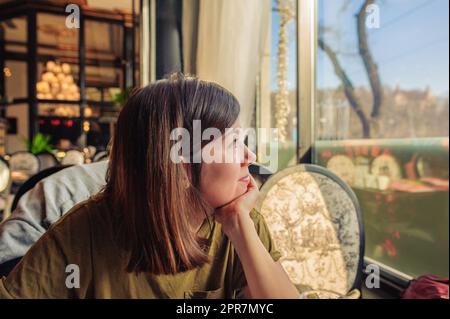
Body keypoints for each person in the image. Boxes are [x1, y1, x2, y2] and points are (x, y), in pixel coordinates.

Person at [0, 74, 299, 299]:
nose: (250, 156)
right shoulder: (83, 232)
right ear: (180, 167)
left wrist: (239, 225)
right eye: (234, 143)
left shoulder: (239, 221)